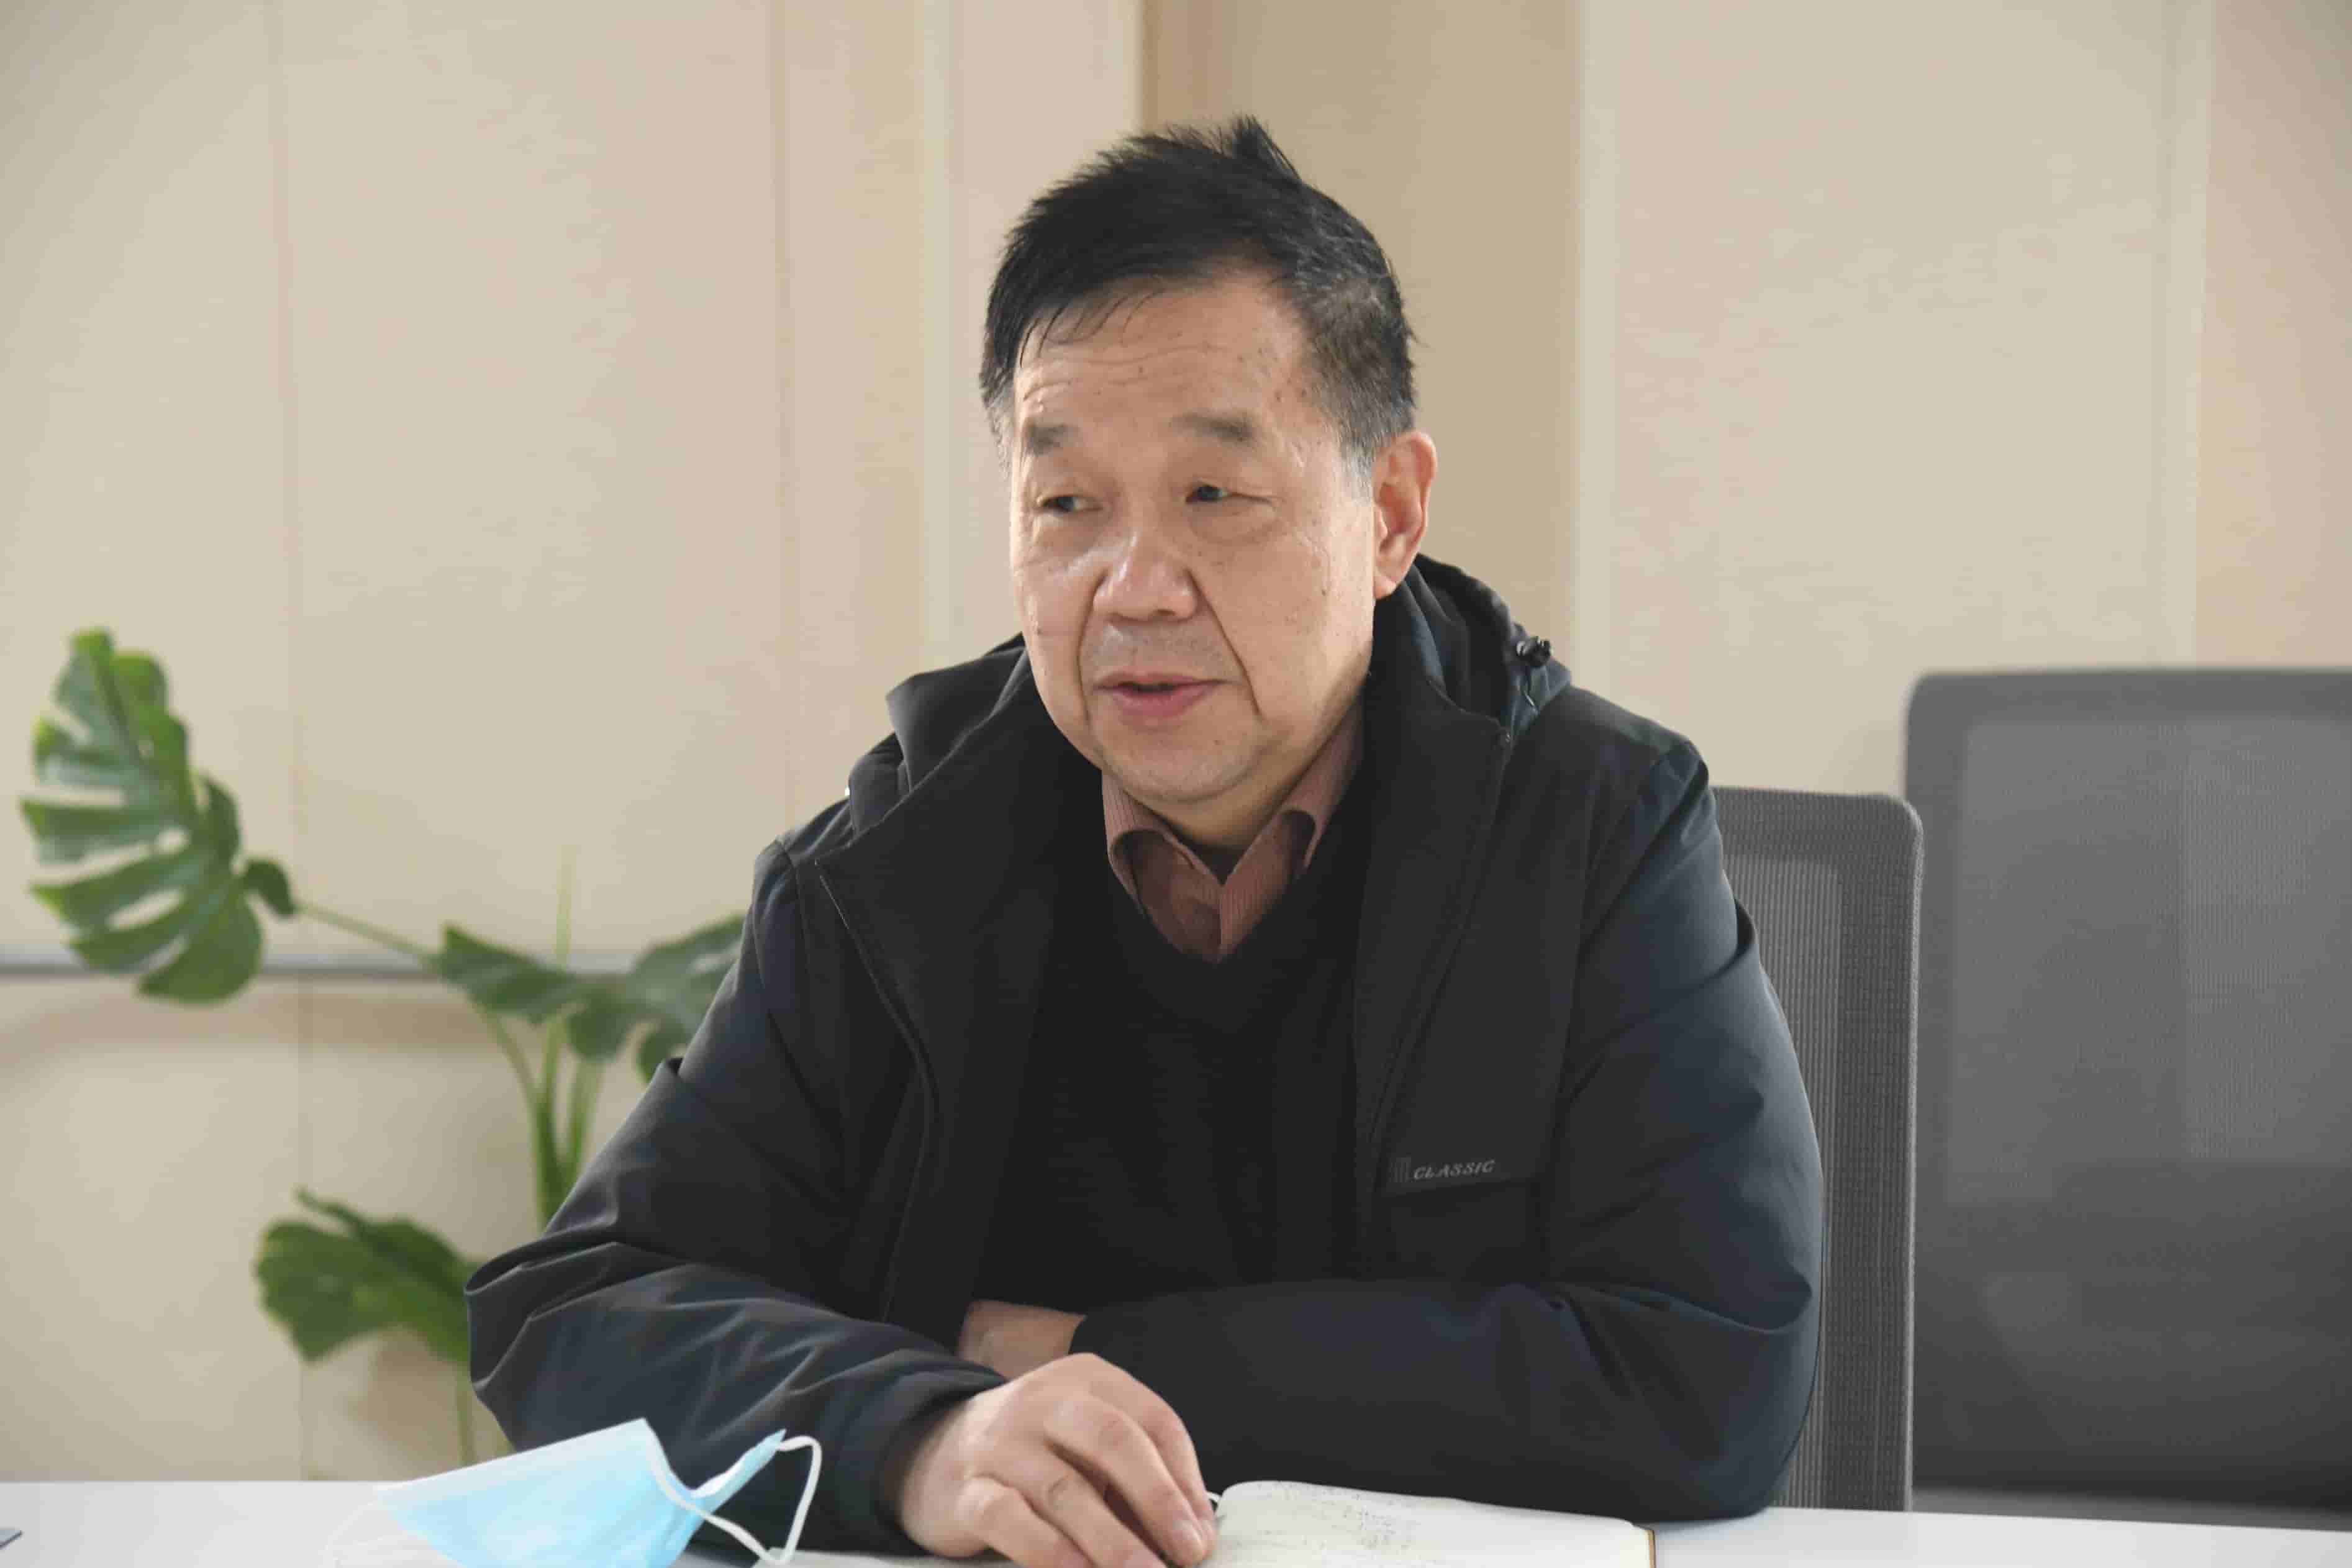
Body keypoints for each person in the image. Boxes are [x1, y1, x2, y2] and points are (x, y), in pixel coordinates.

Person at [467, 117, 1822, 1568]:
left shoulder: (1589, 826)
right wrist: (922, 1436)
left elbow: (1707, 1373)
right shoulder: (893, 870)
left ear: (1388, 515)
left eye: (1213, 496)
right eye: (1067, 505)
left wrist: (1087, 1356)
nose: (1134, 587)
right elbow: (578, 1308)